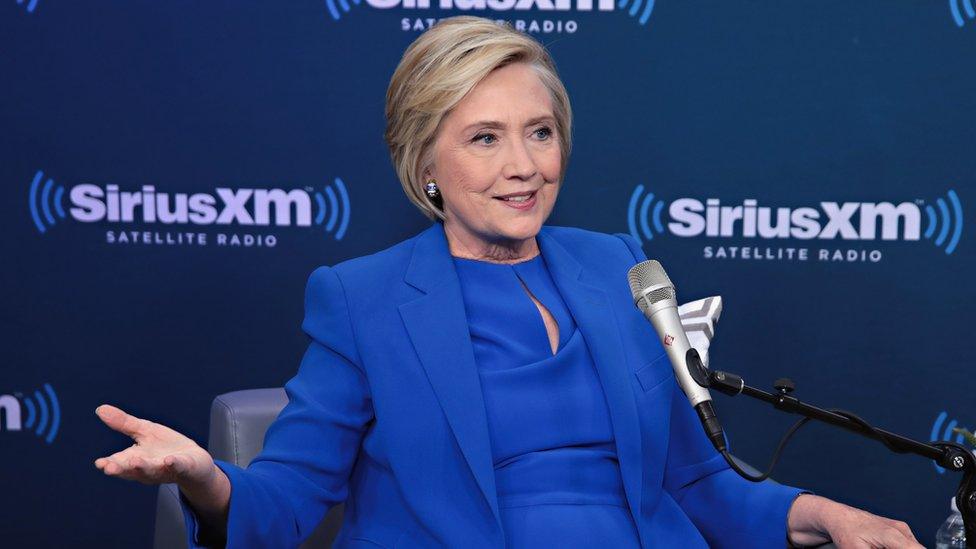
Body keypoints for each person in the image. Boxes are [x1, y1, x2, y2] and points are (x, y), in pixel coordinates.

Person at [95, 16, 924, 548]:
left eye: (540, 132)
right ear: (426, 163)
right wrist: (205, 479)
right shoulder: (363, 298)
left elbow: (696, 480)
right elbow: (290, 496)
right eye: (485, 139)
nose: (524, 166)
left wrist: (826, 513)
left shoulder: (616, 267)